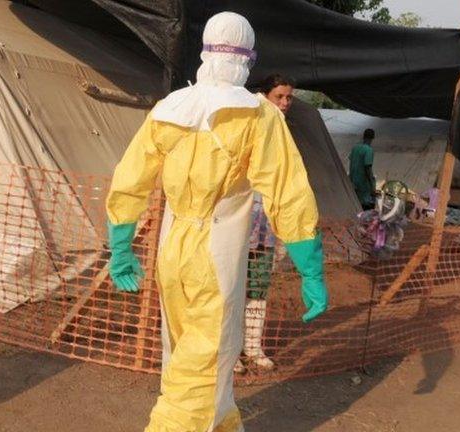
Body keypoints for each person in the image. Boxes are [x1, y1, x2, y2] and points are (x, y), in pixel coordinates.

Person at [106, 12, 328, 432]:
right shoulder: (259, 116)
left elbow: (129, 179)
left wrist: (121, 248)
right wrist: (310, 268)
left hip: (172, 247)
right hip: (217, 251)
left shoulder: (169, 108)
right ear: (248, 57)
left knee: (182, 349)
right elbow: (288, 192)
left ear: (205, 50)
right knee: (206, 361)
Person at [235, 74, 299, 374]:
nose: (285, 103)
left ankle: (252, 346)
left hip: (265, 228)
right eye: (280, 97)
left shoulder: (281, 131)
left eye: (289, 98)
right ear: (265, 96)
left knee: (258, 289)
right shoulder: (251, 121)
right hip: (238, 225)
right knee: (231, 289)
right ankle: (230, 351)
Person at [349, 128, 377, 210]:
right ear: (372, 138)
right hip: (363, 185)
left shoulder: (355, 148)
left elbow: (352, 161)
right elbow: (368, 168)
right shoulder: (369, 150)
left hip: (353, 182)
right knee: (366, 209)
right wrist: (372, 185)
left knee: (356, 207)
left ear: (363, 136)